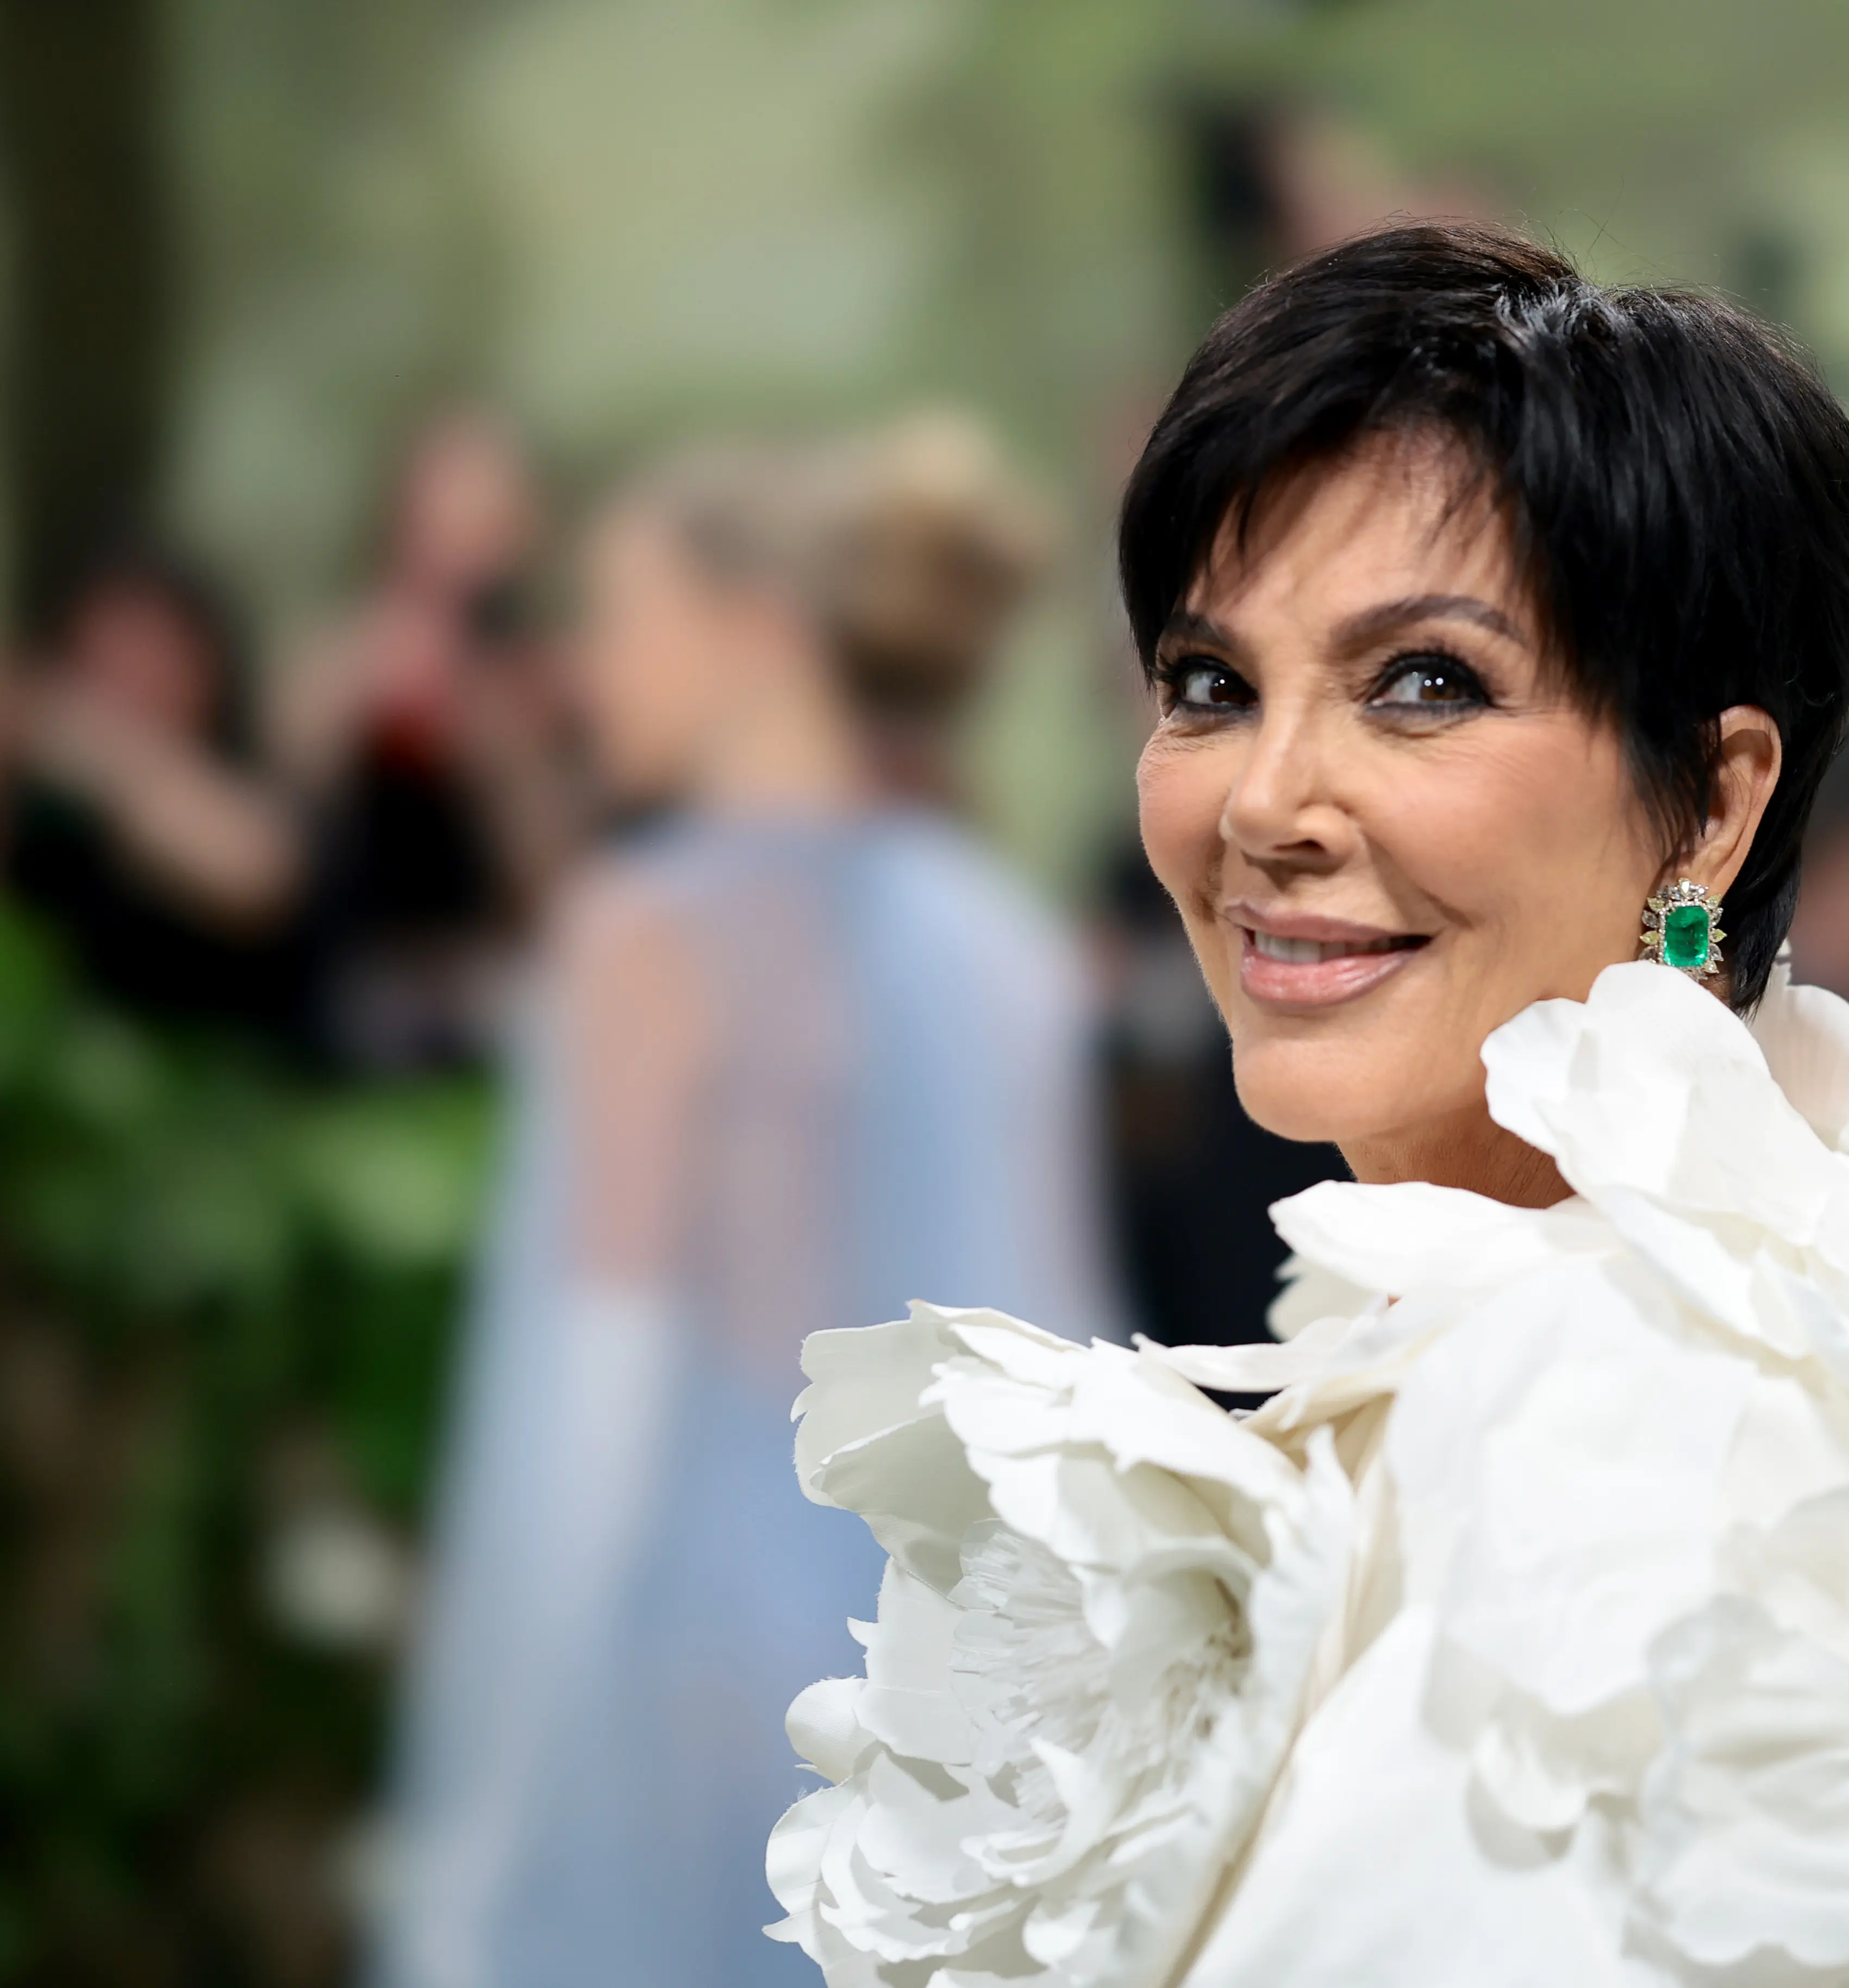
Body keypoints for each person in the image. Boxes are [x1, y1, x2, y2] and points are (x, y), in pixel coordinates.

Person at [765, 226, 1849, 1987]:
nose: (1263, 800)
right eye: (1209, 684)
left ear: (1711, 805)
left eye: (1421, 681)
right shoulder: (1795, 1288)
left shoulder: (1615, 1423)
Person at [373, 417, 1123, 1988]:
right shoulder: (1001, 943)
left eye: (621, 618)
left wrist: (477, 1825)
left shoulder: (643, 939)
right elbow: (1073, 1354)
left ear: (754, 634)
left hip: (702, 1686)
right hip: (965, 1690)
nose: (587, 671)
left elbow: (591, 1409)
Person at [278, 408, 588, 1071]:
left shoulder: (545, 677)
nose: (463, 527)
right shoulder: (339, 651)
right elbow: (287, 827)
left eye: (489, 504)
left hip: (490, 990)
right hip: (345, 985)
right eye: (443, 496)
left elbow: (560, 892)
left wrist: (502, 748)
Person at [1, 536, 306, 1037]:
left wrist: (71, 730)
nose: (132, 674)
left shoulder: (242, 805)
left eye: (158, 654)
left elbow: (260, 878)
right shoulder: (41, 794)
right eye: (113, 646)